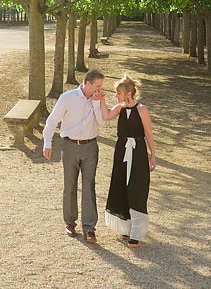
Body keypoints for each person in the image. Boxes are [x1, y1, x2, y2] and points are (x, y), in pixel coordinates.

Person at [43, 68, 109, 242]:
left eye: (101, 86)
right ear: (87, 83)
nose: (100, 89)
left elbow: (102, 122)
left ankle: (89, 228)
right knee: (70, 185)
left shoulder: (98, 98)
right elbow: (52, 120)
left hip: (90, 147)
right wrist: (47, 143)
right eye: (97, 86)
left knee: (89, 186)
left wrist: (97, 102)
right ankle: (70, 223)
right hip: (69, 145)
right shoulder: (67, 98)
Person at [102, 74, 156, 247]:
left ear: (127, 93)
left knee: (136, 188)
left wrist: (153, 156)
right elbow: (106, 116)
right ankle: (125, 228)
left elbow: (148, 134)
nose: (116, 96)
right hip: (121, 151)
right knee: (121, 185)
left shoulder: (142, 110)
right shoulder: (119, 108)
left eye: (118, 93)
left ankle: (136, 232)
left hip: (138, 152)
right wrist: (101, 100)